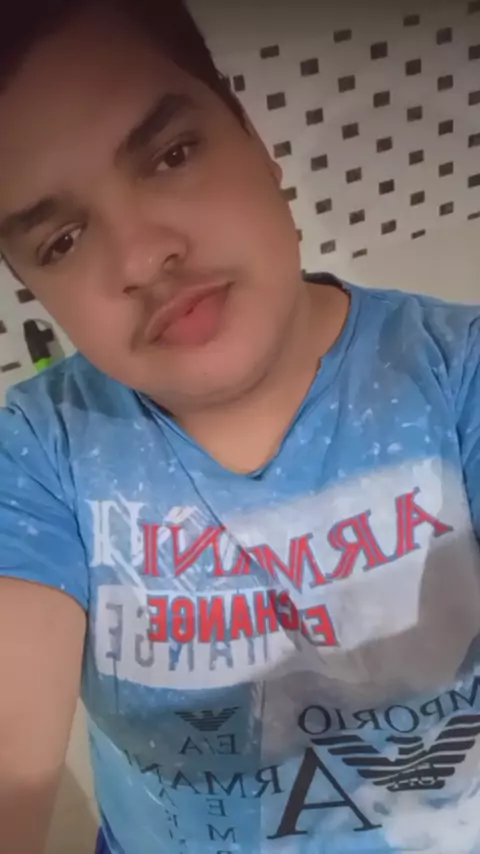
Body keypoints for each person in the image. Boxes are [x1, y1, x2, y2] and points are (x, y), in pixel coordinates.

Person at [0, 1, 479, 852]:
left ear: (253, 139)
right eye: (63, 240)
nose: (141, 257)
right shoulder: (39, 454)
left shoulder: (457, 373)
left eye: (171, 155)